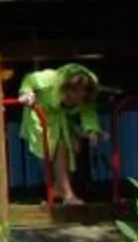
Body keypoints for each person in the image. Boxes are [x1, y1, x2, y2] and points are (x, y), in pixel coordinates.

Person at [17, 63, 105, 205]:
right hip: (41, 115)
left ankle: (59, 188)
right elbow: (29, 79)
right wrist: (26, 93)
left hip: (62, 120)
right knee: (58, 150)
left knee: (74, 145)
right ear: (66, 88)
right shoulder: (49, 79)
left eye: (83, 93)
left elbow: (88, 111)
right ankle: (67, 194)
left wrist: (92, 129)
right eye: (75, 93)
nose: (79, 97)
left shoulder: (84, 98)